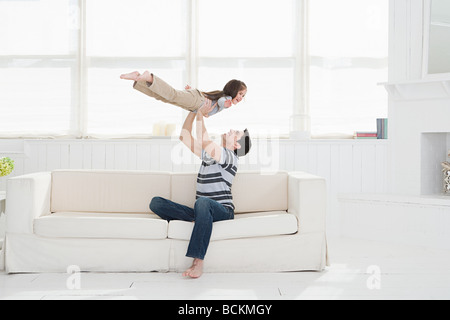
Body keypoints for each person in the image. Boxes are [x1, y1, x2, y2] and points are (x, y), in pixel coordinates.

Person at [149, 99, 252, 278]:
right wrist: (193, 107)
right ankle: (201, 221)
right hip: (203, 210)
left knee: (204, 203)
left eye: (235, 133)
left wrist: (200, 115)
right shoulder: (210, 155)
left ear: (236, 145)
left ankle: (198, 262)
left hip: (223, 211)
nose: (230, 130)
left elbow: (204, 140)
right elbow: (184, 136)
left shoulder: (230, 158)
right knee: (156, 203)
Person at [120, 71, 247, 117]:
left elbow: (210, 105)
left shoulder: (221, 96)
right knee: (172, 95)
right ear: (233, 90)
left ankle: (138, 79)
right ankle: (149, 77)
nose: (241, 98)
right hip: (196, 101)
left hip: (195, 102)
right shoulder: (226, 100)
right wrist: (226, 103)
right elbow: (220, 102)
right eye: (240, 94)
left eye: (243, 95)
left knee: (165, 98)